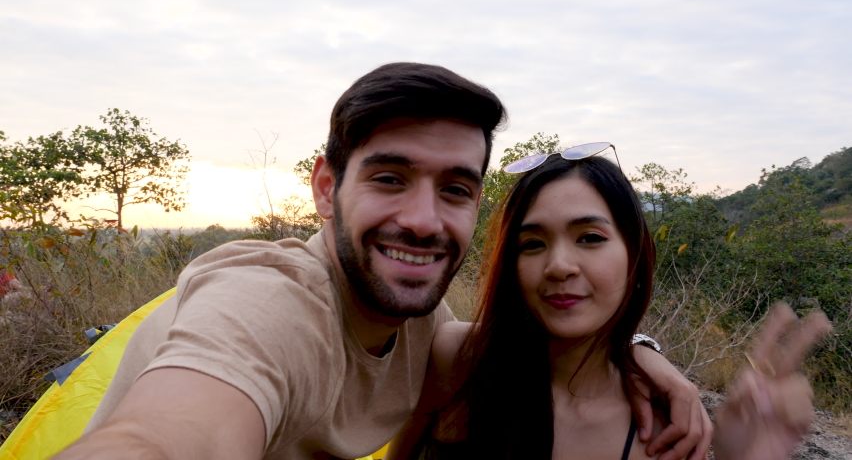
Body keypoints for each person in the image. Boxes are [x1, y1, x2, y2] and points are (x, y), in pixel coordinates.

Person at [56, 64, 710, 460]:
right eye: (390, 178)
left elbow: (522, 341)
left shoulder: (423, 326)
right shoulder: (267, 302)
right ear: (325, 188)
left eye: (455, 188)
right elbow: (173, 432)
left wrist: (639, 352)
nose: (424, 220)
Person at [384, 149, 832, 460]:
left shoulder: (664, 429)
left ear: (634, 255)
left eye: (590, 238)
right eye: (533, 243)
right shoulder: (458, 360)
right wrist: (641, 347)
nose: (559, 265)